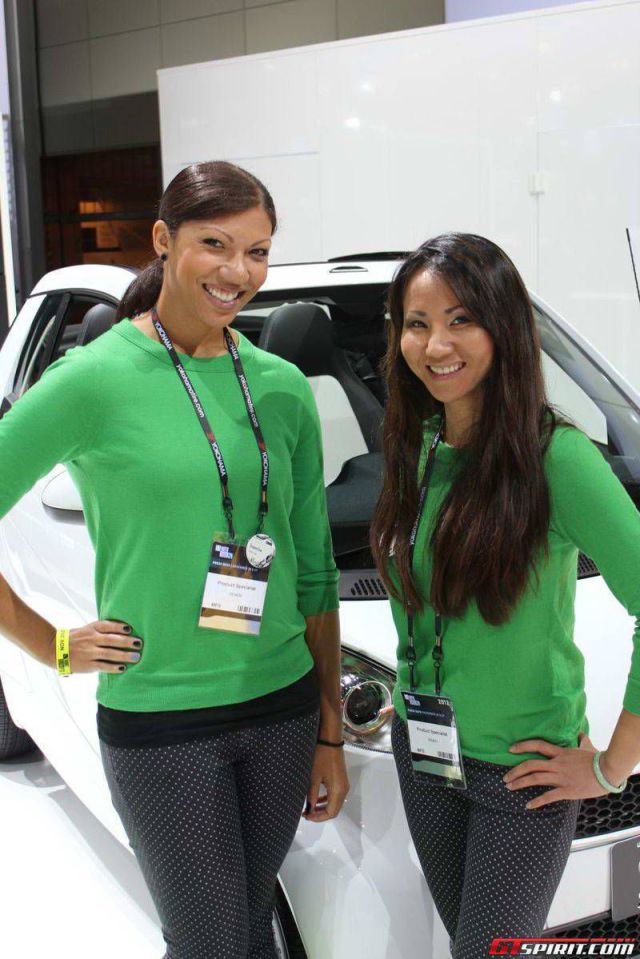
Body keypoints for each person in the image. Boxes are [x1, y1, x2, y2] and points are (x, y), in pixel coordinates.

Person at [0, 160, 349, 958]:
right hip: (161, 720)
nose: (239, 272)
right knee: (208, 943)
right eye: (215, 244)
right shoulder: (91, 381)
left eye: (258, 251)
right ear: (163, 241)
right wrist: (52, 644)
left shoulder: (284, 389)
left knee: (248, 931)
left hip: (282, 708)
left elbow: (317, 572)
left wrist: (329, 728)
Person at [370, 232, 640, 958]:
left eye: (461, 318)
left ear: (504, 327)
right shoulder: (420, 444)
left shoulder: (557, 456)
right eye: (417, 322)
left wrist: (614, 764)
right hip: (427, 755)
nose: (435, 344)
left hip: (522, 776)